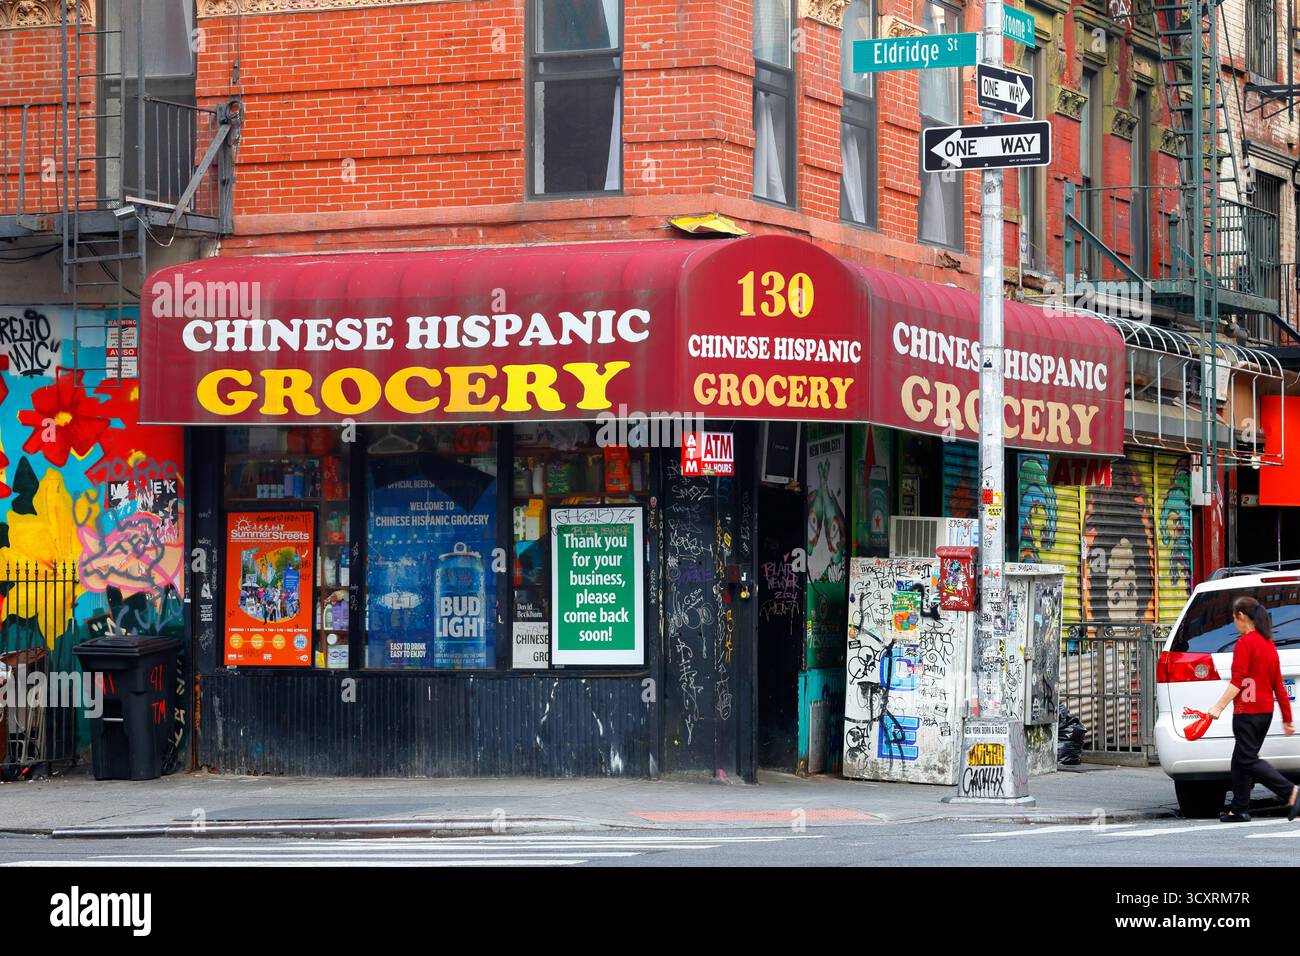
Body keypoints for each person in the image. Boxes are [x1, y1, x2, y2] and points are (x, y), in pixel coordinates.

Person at [1208, 595, 1299, 823]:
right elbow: (1278, 684)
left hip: (1247, 713)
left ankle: (1291, 792)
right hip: (1264, 713)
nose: (1234, 624)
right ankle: (1240, 808)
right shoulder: (1268, 644)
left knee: (1247, 759)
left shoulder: (1244, 643)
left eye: (1234, 619)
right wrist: (1287, 718)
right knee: (1240, 759)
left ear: (1241, 617)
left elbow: (1237, 681)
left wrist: (1218, 707)